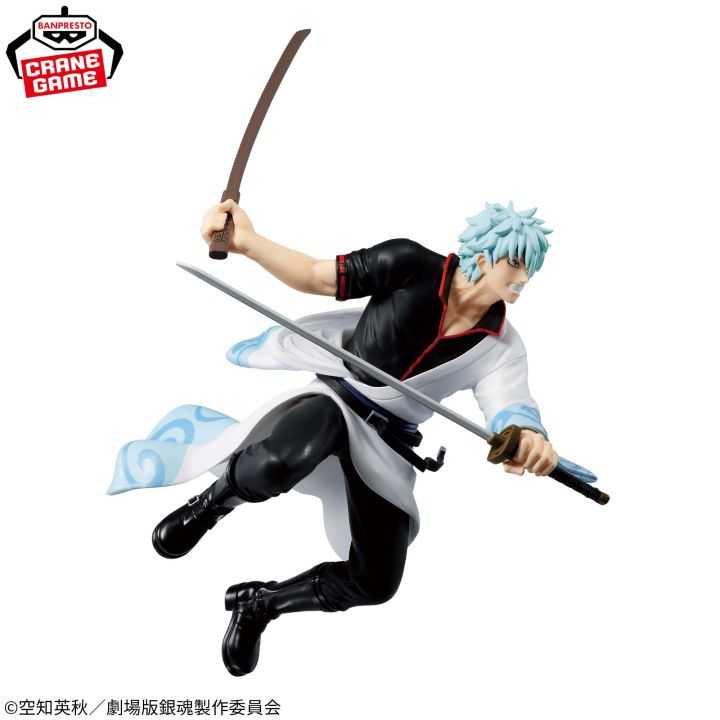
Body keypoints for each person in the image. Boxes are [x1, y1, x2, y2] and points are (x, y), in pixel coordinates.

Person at [111, 199, 558, 676]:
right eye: (517, 263)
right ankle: (212, 504)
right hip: (337, 400)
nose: (524, 278)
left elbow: (510, 407)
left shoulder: (501, 346)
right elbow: (316, 276)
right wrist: (247, 243)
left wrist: (529, 438)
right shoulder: (409, 263)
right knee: (276, 463)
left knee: (376, 581)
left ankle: (261, 603)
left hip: (389, 442)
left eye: (530, 268)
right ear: (485, 258)